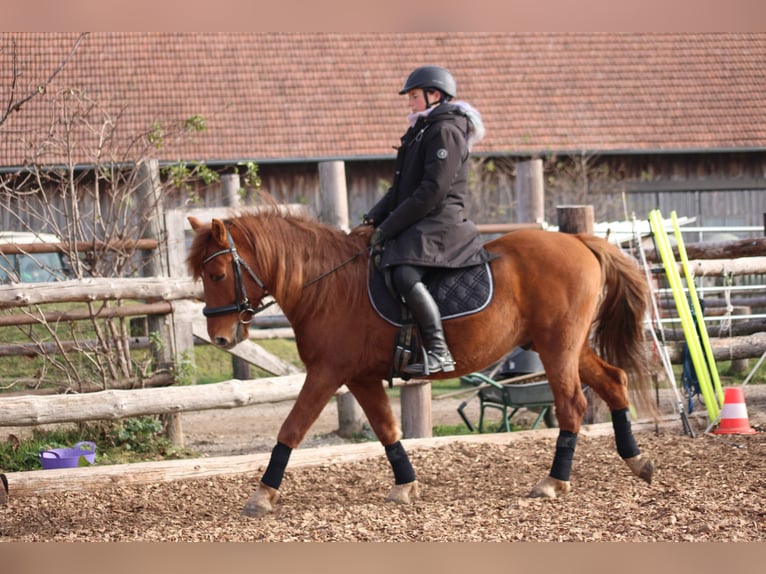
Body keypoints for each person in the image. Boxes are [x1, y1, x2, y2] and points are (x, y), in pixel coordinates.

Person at [363, 65, 494, 376]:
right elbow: (399, 189)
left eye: (413, 96)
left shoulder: (445, 130)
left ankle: (439, 350)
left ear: (434, 95)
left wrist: (388, 228)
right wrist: (371, 219)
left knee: (404, 273)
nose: (409, 102)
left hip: (441, 222)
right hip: (422, 220)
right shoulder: (422, 130)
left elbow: (432, 191)